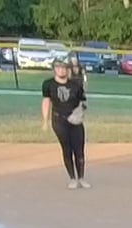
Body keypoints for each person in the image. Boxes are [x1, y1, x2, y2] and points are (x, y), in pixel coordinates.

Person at [38, 60, 88, 190]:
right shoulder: (48, 84)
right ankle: (72, 178)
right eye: (58, 67)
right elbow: (46, 102)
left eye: (64, 67)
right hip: (59, 120)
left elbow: (83, 102)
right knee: (67, 148)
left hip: (75, 120)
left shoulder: (75, 85)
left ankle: (81, 178)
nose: (61, 70)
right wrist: (45, 120)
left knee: (79, 149)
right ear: (54, 69)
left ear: (68, 69)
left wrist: (79, 113)